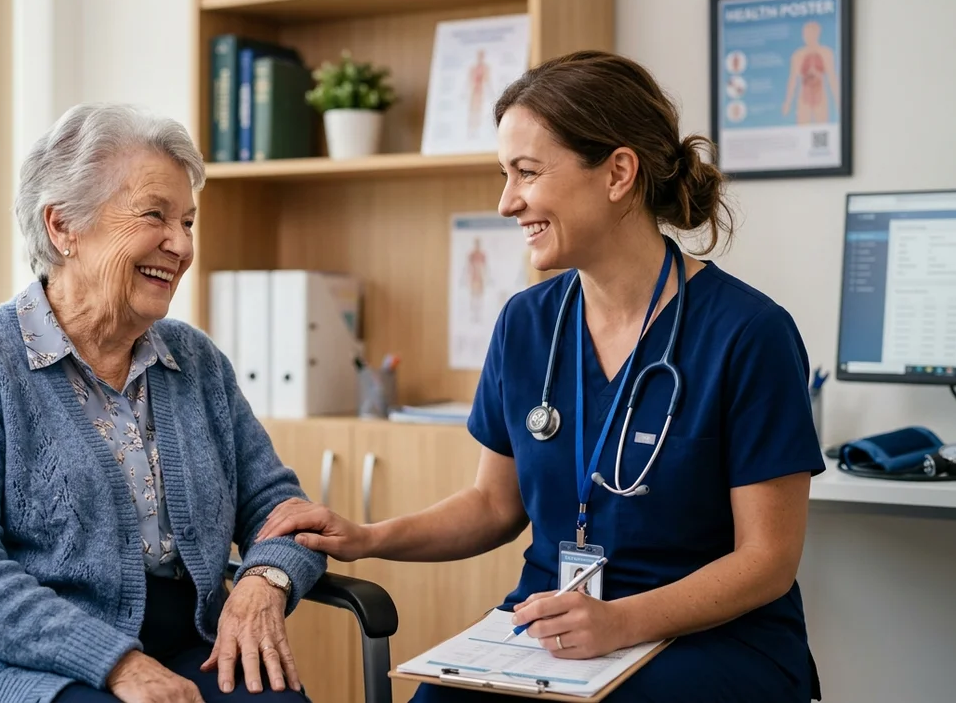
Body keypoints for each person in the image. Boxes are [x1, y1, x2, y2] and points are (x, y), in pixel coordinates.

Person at [256, 50, 823, 702]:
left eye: (526, 172)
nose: (506, 203)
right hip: (554, 628)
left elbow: (767, 563)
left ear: (617, 173)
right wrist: (369, 537)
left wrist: (620, 622)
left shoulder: (748, 334)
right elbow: (495, 505)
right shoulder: (527, 324)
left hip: (711, 639)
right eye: (504, 174)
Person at [0, 103, 325, 703]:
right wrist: (115, 662)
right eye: (155, 215)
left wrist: (263, 579)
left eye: (189, 222)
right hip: (15, 658)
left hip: (185, 642)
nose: (180, 244)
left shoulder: (194, 360)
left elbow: (283, 510)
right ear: (62, 226)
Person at [783, 20, 839, 124]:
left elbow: (832, 78)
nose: (809, 36)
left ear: (818, 34)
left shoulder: (826, 53)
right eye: (806, 33)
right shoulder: (798, 55)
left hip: (820, 94)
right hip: (804, 96)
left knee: (822, 129)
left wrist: (838, 100)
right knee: (803, 130)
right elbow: (793, 79)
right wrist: (787, 103)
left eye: (812, 33)